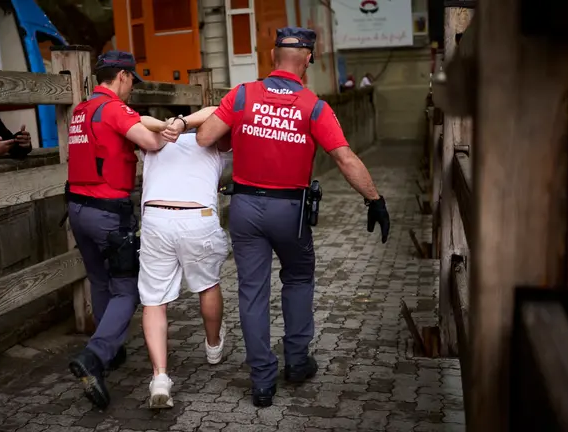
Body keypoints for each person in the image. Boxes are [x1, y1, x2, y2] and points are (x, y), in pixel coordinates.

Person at [196, 27, 391, 408]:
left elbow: (206, 137)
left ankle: (262, 382)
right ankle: (297, 362)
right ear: (308, 60)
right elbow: (344, 157)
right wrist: (375, 199)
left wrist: (231, 132)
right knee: (298, 278)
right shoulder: (314, 106)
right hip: (291, 211)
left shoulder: (241, 96)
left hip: (246, 209)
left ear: (273, 55)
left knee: (252, 292)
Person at [65, 50, 170, 410]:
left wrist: (146, 121)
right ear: (122, 76)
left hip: (77, 209)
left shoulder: (81, 110)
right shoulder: (114, 109)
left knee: (99, 279)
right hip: (108, 213)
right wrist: (167, 129)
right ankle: (94, 356)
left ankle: (111, 350)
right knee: (127, 289)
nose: (131, 89)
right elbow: (151, 142)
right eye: (131, 81)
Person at [136, 108, 231, 408]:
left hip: (156, 217)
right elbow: (220, 109)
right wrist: (183, 122)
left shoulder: (153, 141)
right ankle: (213, 346)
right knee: (207, 285)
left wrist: (168, 125)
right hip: (197, 217)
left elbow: (136, 120)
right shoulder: (214, 142)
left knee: (154, 300)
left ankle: (160, 377)